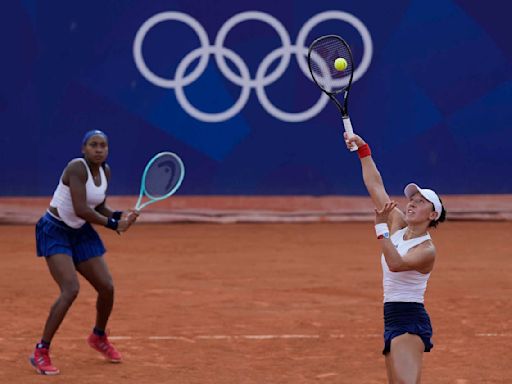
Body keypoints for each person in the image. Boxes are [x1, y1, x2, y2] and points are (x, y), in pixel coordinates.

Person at [30, 130, 139, 375]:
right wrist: (113, 225)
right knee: (70, 289)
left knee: (107, 287)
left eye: (103, 145)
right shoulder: (76, 168)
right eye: (93, 145)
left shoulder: (105, 171)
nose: (99, 149)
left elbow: (97, 206)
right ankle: (41, 350)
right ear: (83, 149)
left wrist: (120, 216)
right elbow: (80, 208)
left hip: (81, 233)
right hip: (55, 230)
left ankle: (98, 337)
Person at [345, 133, 446, 384]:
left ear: (432, 216)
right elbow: (375, 186)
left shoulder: (426, 250)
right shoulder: (398, 224)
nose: (412, 203)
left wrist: (381, 229)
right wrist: (363, 150)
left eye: (421, 202)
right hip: (391, 317)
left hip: (410, 320)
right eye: (412, 199)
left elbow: (396, 264)